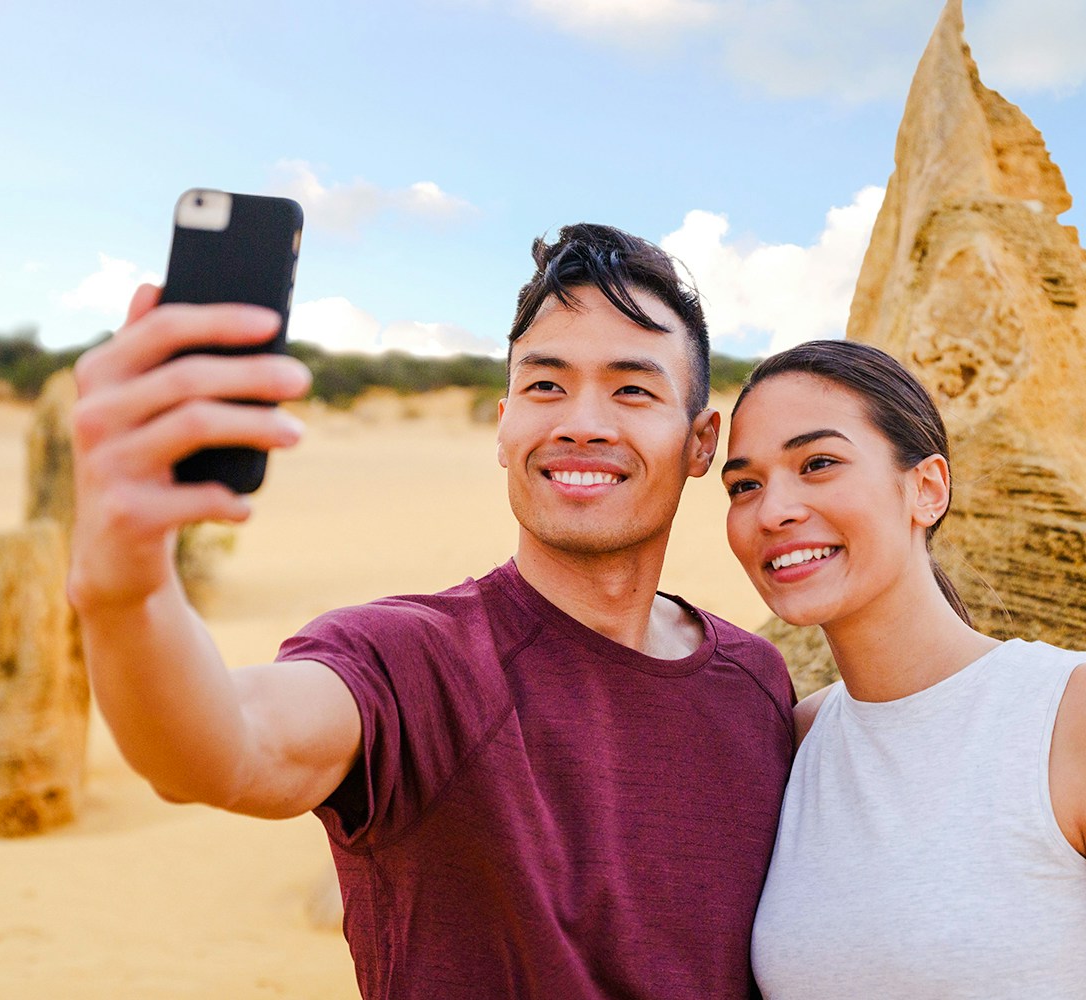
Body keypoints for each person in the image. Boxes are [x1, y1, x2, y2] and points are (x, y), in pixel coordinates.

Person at [67, 223, 796, 1000]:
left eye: (632, 390)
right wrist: (127, 588)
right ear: (504, 424)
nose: (581, 423)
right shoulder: (410, 662)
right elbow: (225, 747)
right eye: (545, 386)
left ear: (700, 442)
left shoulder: (756, 682)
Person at [720, 340, 1086, 1000]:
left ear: (927, 489)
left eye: (818, 464)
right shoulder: (798, 743)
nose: (773, 510)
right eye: (744, 485)